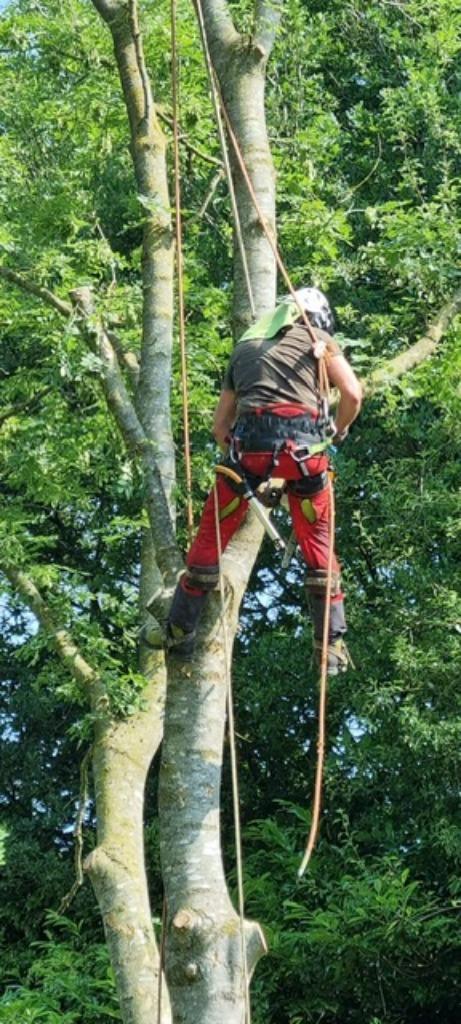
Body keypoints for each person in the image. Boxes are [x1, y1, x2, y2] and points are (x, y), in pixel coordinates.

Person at [161, 287, 362, 674]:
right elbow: (352, 393)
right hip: (306, 456)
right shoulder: (320, 339)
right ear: (316, 318)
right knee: (317, 542)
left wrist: (253, 472)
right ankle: (331, 646)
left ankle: (178, 629)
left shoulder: (244, 349)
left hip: (248, 452)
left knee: (211, 535)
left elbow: (221, 428)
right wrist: (337, 431)